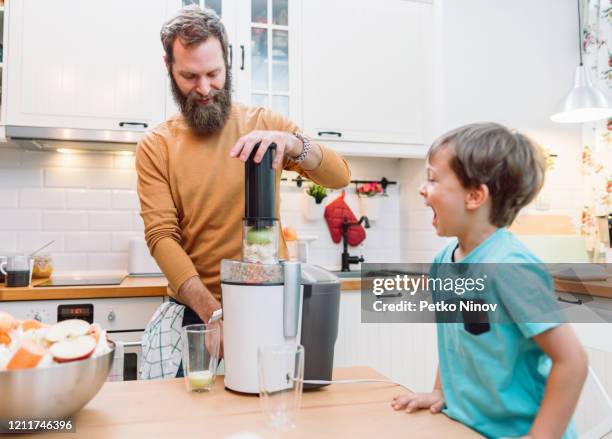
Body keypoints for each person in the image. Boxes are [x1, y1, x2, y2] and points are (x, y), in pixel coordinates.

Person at [135, 6, 351, 370]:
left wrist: (294, 143)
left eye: (213, 74)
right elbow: (161, 237)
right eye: (189, 76)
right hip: (196, 313)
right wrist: (212, 314)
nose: (203, 88)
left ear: (229, 60)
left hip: (271, 306)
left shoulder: (265, 125)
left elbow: (339, 176)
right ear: (167, 67)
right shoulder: (157, 145)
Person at [391, 123, 588, 438]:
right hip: (471, 428)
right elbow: (459, 340)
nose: (422, 189)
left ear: (474, 196)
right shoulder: (444, 262)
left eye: (432, 179)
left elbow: (572, 361)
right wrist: (441, 392)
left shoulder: (510, 269)